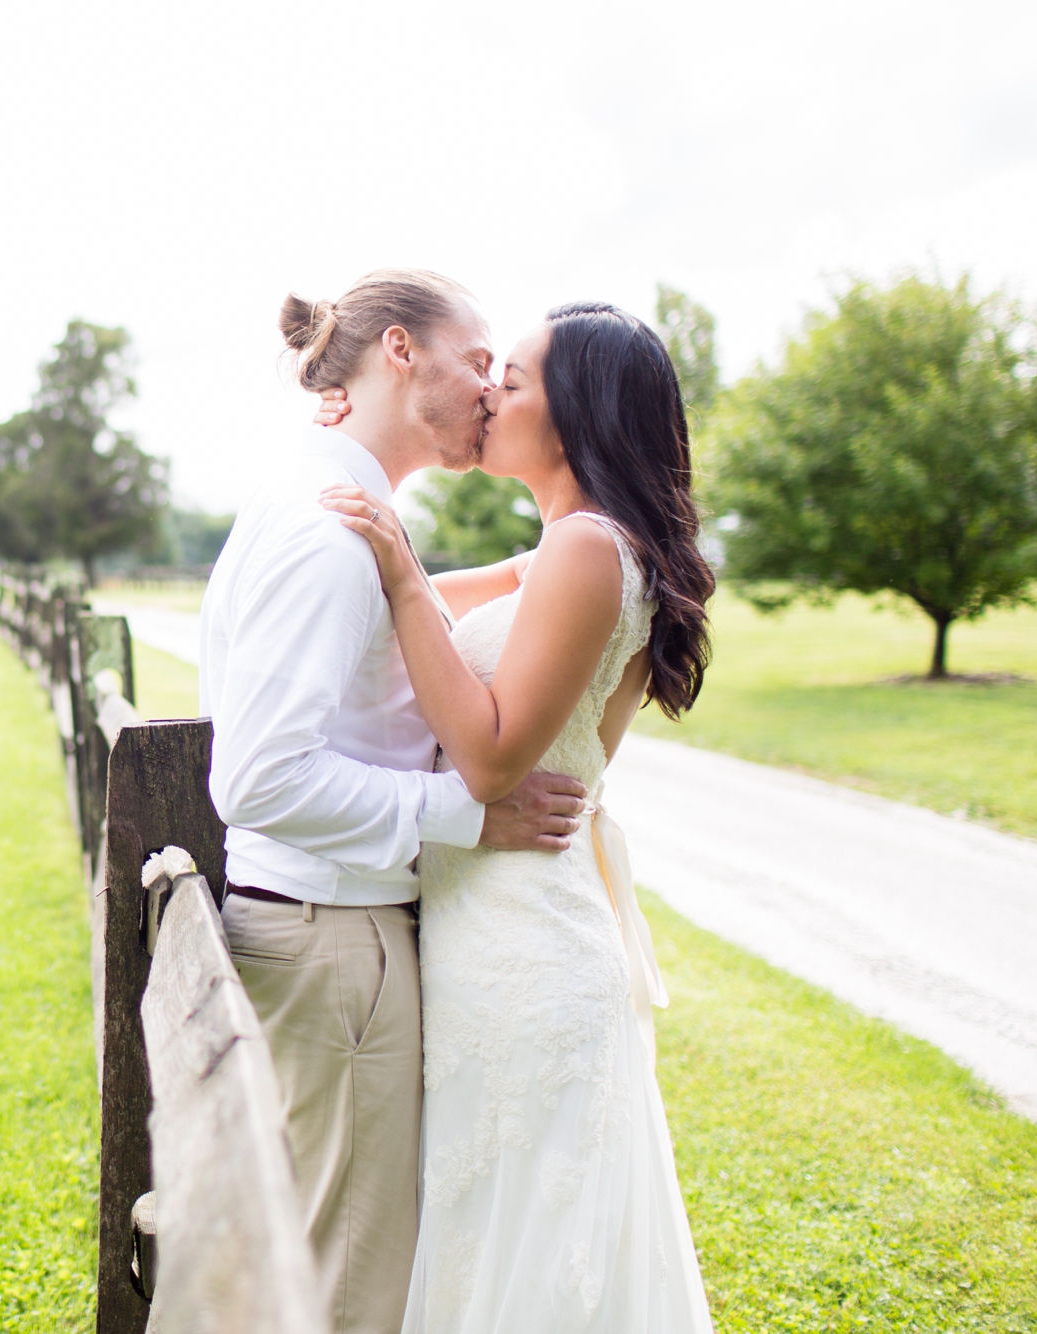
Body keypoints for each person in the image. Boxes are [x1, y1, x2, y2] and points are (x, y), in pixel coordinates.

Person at [199, 269, 591, 1334]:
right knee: (351, 1290)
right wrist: (469, 814)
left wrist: (567, 555)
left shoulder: (340, 509)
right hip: (335, 942)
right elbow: (256, 779)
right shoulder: (328, 532)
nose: (490, 388)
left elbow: (393, 637)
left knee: (339, 1262)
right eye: (477, 361)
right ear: (401, 351)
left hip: (336, 936)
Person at [318, 302, 717, 1331]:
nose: (490, 390)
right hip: (496, 928)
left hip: (525, 950)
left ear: (577, 412)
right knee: (493, 1236)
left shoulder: (588, 548)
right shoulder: (560, 550)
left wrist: (400, 572)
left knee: (525, 1250)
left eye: (519, 378)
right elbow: (420, 606)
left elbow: (492, 756)